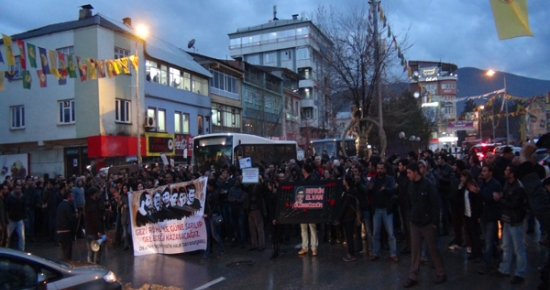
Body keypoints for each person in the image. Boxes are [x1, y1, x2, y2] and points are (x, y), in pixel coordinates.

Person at [403, 162, 446, 288]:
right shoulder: (411, 186)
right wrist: (411, 218)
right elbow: (409, 203)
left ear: (416, 172)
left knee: (433, 249)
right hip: (415, 223)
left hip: (427, 223)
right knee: (415, 251)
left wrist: (434, 223)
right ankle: (413, 276)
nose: (408, 175)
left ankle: (441, 272)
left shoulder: (428, 185)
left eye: (409, 172)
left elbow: (435, 205)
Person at [492, 165, 527, 284]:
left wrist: (499, 199)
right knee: (506, 246)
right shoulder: (508, 184)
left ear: (512, 174)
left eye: (507, 170)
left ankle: (520, 273)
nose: (505, 171)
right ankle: (505, 269)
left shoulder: (518, 188)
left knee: (518, 248)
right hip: (508, 219)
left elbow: (514, 205)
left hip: (515, 220)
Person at [476, 165, 503, 275]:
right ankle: (495, 256)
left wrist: (479, 192)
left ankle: (486, 264)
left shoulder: (495, 185)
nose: (483, 172)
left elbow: (492, 200)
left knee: (488, 240)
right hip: (483, 215)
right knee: (488, 239)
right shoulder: (482, 183)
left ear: (490, 173)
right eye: (482, 170)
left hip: (491, 216)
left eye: (485, 171)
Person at [369, 162, 398, 262]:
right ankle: (375, 252)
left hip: (387, 209)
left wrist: (385, 190)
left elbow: (393, 190)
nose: (380, 170)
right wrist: (370, 188)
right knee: (375, 233)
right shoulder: (373, 179)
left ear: (385, 169)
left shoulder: (389, 179)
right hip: (377, 209)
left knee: (390, 233)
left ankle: (393, 253)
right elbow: (368, 191)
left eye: (381, 168)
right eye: (378, 168)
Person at [458, 170, 483, 261]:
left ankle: (478, 252)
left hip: (473, 214)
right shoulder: (464, 187)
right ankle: (473, 252)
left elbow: (477, 201)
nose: (461, 179)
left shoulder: (472, 187)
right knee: (470, 233)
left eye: (462, 177)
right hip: (466, 213)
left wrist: (478, 215)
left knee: (475, 234)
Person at [336, 174, 361, 262]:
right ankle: (351, 252)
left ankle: (351, 254)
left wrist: (339, 218)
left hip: (348, 216)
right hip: (351, 215)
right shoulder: (352, 191)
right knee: (350, 235)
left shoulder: (349, 193)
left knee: (349, 236)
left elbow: (344, 207)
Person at [298, 164, 318, 256]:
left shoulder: (312, 180)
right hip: (303, 206)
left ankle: (314, 247)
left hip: (310, 207)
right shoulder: (303, 180)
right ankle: (305, 246)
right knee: (304, 228)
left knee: (312, 227)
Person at [55, 183, 76, 260]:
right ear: (69, 197)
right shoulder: (67, 206)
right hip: (66, 230)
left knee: (64, 249)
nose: (73, 198)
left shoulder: (60, 205)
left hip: (60, 229)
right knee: (67, 250)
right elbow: (71, 218)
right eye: (72, 196)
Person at [85, 187, 105, 264]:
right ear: (94, 194)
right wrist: (99, 231)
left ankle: (90, 265)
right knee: (97, 249)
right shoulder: (93, 205)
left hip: (88, 231)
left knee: (90, 251)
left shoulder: (86, 204)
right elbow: (96, 219)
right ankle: (96, 265)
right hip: (94, 231)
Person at [6, 182, 26, 251]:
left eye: (20, 189)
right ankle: (5, 249)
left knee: (21, 236)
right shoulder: (9, 197)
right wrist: (8, 217)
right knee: (8, 236)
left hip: (19, 218)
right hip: (12, 219)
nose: (19, 190)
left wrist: (24, 216)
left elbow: (23, 207)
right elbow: (7, 208)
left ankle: (21, 250)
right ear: (14, 189)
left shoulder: (22, 196)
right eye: (17, 189)